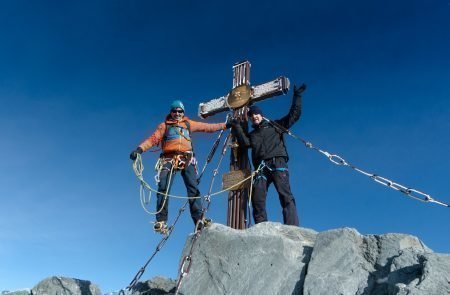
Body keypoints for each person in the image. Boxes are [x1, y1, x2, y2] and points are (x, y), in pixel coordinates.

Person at [130, 100, 229, 233]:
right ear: (170, 112)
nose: (177, 113)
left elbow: (207, 127)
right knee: (163, 188)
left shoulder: (188, 124)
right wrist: (139, 149)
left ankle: (199, 219)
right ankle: (161, 221)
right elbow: (153, 139)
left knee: (193, 189)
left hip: (186, 158)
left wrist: (226, 125)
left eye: (180, 111)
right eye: (174, 111)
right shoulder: (164, 126)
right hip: (168, 158)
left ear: (183, 112)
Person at [231, 84, 306, 226]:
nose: (254, 117)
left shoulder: (275, 125)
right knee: (257, 198)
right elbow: (245, 143)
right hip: (261, 168)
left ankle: (292, 228)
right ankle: (261, 228)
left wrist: (297, 96)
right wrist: (236, 126)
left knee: (285, 195)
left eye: (256, 114)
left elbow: (294, 115)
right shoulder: (252, 135)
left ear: (261, 114)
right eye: (251, 115)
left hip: (277, 163)